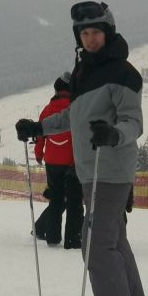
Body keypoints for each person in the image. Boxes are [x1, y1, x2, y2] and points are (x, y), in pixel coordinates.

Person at [16, 1, 148, 296]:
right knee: (113, 240)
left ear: (107, 33)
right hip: (91, 170)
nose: (90, 38)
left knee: (95, 243)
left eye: (96, 32)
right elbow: (73, 117)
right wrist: (39, 128)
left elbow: (133, 122)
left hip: (110, 169)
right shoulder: (84, 72)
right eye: (84, 33)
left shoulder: (122, 73)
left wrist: (113, 133)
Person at [32, 72, 83, 249]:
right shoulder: (74, 109)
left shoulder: (47, 109)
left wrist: (39, 153)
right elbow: (81, 137)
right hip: (72, 162)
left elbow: (41, 134)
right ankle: (73, 239)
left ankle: (52, 237)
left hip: (51, 161)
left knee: (56, 200)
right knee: (74, 202)